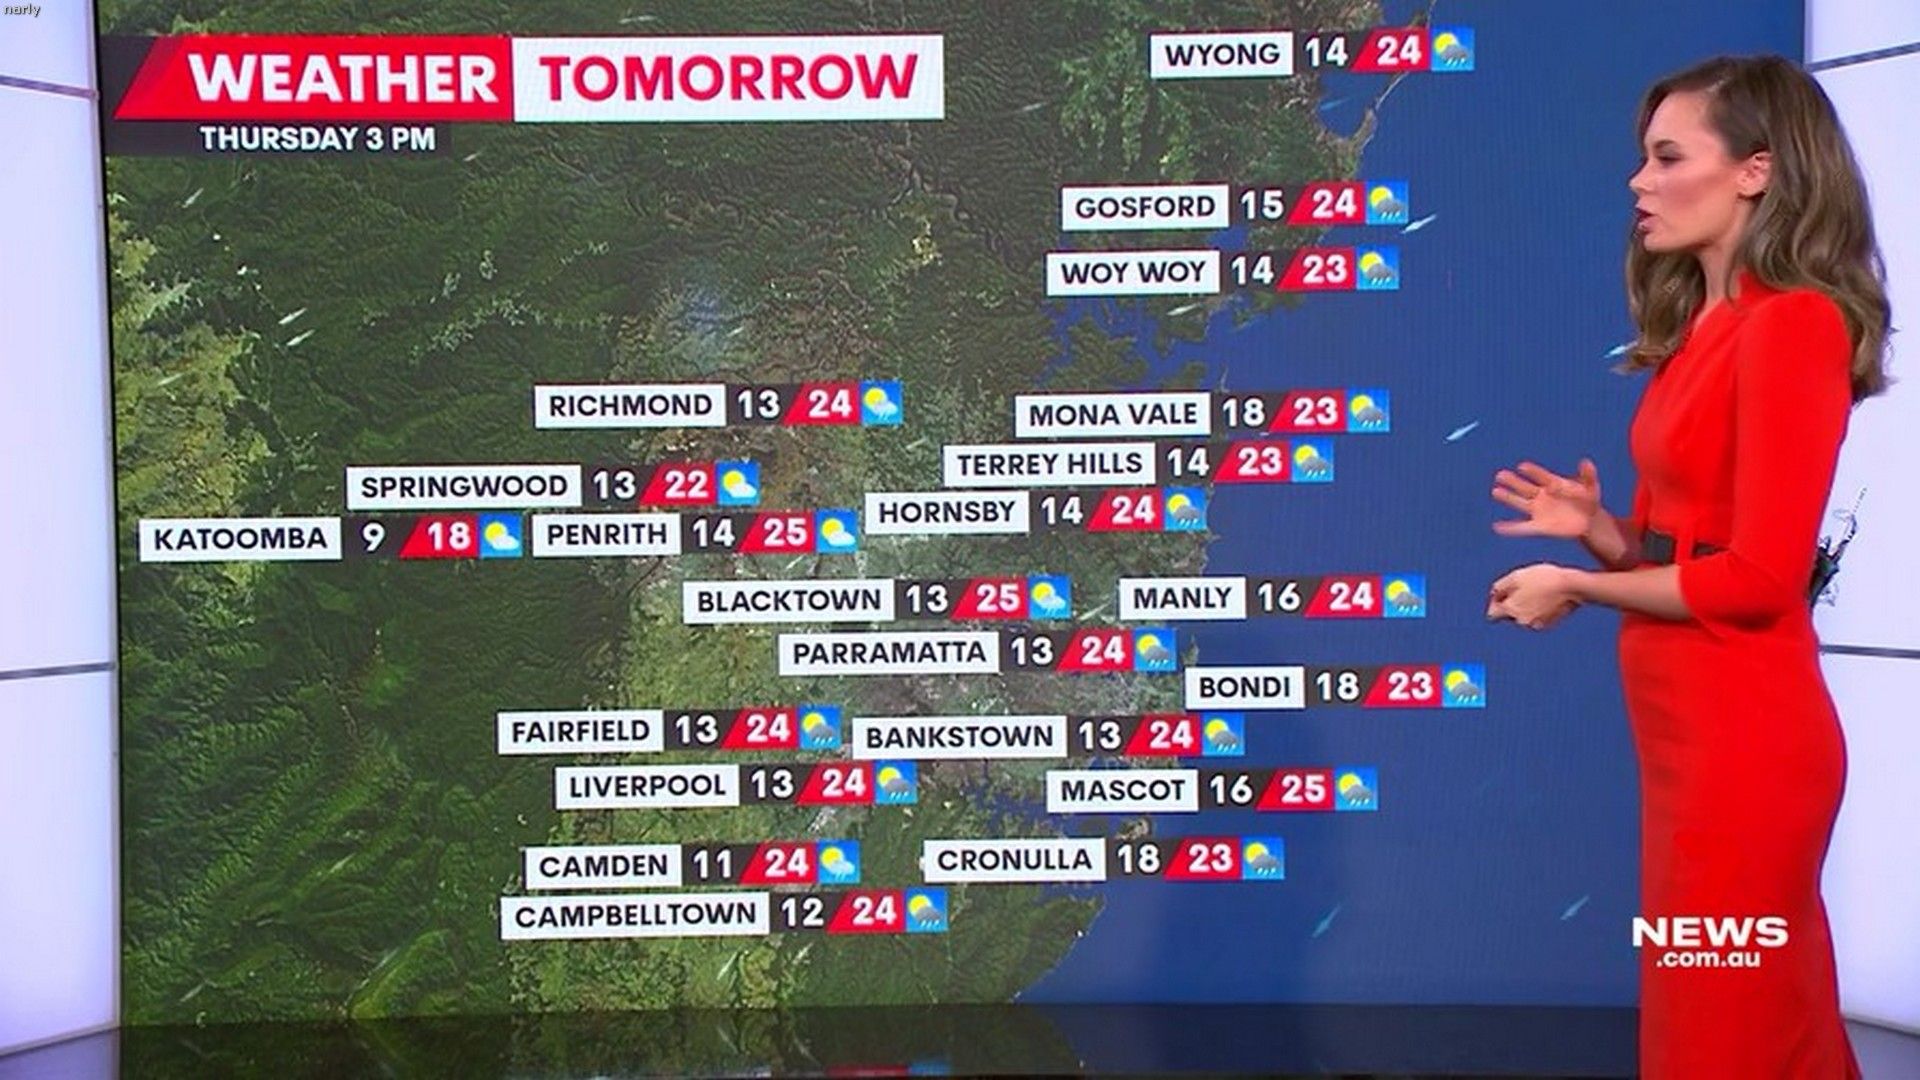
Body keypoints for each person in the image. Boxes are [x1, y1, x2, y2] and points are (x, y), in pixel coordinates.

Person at [1484, 55, 1890, 1079]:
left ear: (1757, 170)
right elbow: (1696, 548)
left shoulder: (1793, 324)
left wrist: (1580, 587)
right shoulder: (1703, 328)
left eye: (1669, 158)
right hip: (1687, 733)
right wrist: (1602, 534)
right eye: (1644, 158)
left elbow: (1757, 580)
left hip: (1745, 740)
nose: (1640, 181)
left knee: (1731, 1031)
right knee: (1724, 1020)